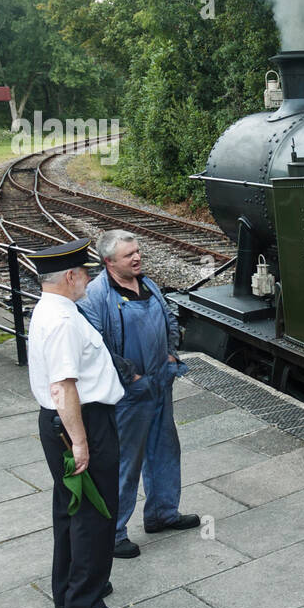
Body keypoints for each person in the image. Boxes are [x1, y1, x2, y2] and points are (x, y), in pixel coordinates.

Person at [26, 238, 127, 608]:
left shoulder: (48, 309)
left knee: (70, 506)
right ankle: (85, 602)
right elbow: (64, 385)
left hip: (59, 422)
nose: (90, 278)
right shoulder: (65, 319)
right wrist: (81, 442)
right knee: (95, 511)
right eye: (86, 272)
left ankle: (68, 588)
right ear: (70, 276)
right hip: (81, 422)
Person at [77, 230, 197, 558]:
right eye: (129, 254)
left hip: (161, 383)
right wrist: (132, 376)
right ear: (108, 262)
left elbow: (169, 318)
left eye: (138, 251)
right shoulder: (95, 295)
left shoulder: (147, 283)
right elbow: (96, 346)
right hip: (129, 394)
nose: (137, 257)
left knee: (166, 450)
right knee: (125, 463)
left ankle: (162, 513)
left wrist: (171, 353)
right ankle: (113, 534)